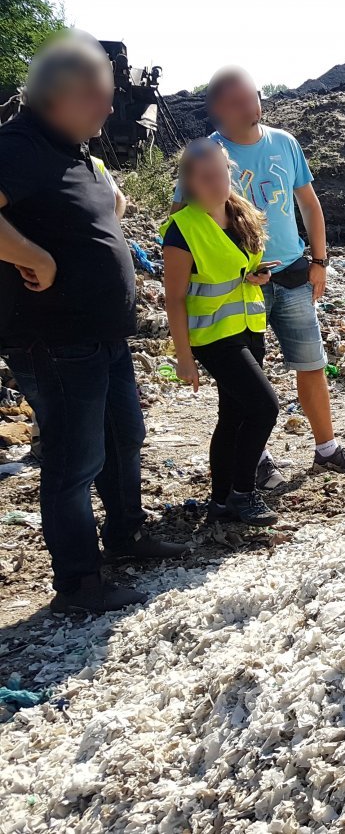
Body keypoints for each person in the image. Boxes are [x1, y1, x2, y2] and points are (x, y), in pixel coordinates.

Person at [0, 32, 188, 614]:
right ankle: (79, 584)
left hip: (100, 335)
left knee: (123, 436)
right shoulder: (19, 144)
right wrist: (36, 257)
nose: (111, 109)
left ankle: (126, 537)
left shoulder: (69, 145)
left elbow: (85, 210)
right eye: (101, 97)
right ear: (64, 94)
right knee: (73, 460)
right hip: (54, 339)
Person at [173, 67, 345, 487]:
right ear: (218, 110)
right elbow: (184, 219)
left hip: (294, 274)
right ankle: (256, 459)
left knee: (312, 363)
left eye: (253, 97)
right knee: (249, 379)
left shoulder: (284, 142)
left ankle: (327, 448)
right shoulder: (207, 155)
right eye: (239, 101)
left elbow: (310, 206)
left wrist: (320, 261)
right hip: (241, 285)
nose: (251, 106)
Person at [162, 139, 280, 526]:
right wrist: (183, 356)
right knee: (264, 407)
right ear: (190, 183)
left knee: (232, 414)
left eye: (220, 173)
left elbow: (236, 273)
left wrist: (255, 277)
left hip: (248, 326)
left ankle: (220, 502)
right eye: (205, 177)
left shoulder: (240, 214)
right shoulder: (183, 229)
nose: (215, 182)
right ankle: (244, 494)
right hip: (212, 336)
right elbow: (175, 298)